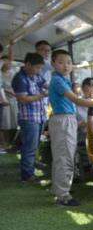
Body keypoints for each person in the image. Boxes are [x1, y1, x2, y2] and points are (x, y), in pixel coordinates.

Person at [48, 49, 93, 206]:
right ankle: (63, 196)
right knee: (64, 157)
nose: (66, 66)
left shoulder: (62, 79)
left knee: (63, 156)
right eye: (61, 62)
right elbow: (77, 101)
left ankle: (60, 190)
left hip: (64, 119)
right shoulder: (57, 81)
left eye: (69, 63)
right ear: (53, 64)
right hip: (63, 120)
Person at [11, 53, 48, 182]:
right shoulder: (19, 79)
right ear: (27, 65)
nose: (39, 71)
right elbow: (23, 98)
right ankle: (27, 176)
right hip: (29, 118)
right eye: (37, 68)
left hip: (40, 116)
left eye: (40, 68)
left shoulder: (36, 76)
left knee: (34, 145)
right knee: (29, 147)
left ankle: (30, 169)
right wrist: (42, 95)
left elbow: (45, 84)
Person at [1, 54, 20, 150]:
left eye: (9, 61)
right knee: (5, 122)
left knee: (14, 121)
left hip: (14, 99)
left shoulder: (14, 72)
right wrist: (8, 91)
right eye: (5, 61)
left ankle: (11, 142)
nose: (7, 63)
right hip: (3, 100)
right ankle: (4, 143)